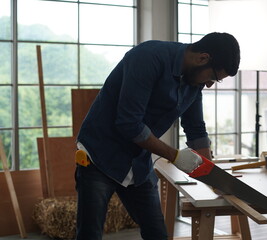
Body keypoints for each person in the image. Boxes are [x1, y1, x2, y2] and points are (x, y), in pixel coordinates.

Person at [75, 32, 240, 240]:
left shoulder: (193, 82)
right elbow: (129, 123)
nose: (209, 84)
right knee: (89, 234)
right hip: (100, 156)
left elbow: (196, 128)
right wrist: (176, 156)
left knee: (157, 234)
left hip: (138, 162)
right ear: (202, 58)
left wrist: (213, 174)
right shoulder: (148, 57)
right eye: (213, 77)